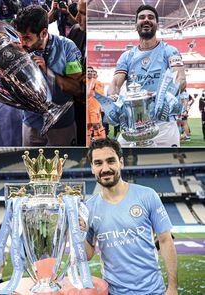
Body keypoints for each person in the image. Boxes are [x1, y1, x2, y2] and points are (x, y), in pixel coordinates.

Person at [81, 138, 177, 295]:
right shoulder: (88, 208)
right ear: (92, 168)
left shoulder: (147, 195)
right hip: (113, 292)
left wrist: (172, 288)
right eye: (98, 163)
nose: (105, 168)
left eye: (110, 161)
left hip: (153, 291)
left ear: (121, 162)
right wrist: (76, 233)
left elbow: (166, 241)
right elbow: (88, 254)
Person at [107, 4, 186, 147]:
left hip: (163, 124)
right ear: (136, 24)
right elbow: (115, 84)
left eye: (151, 17)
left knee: (168, 164)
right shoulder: (127, 56)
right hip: (134, 125)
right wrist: (112, 97)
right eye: (142, 17)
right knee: (120, 160)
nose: (146, 20)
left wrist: (162, 100)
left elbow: (180, 79)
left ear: (157, 24)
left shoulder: (170, 51)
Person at [14, 5, 83, 146]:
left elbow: (77, 88)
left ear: (44, 33)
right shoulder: (17, 50)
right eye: (19, 37)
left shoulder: (68, 47)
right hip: (30, 123)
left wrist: (48, 72)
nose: (22, 43)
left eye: (27, 38)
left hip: (61, 125)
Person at [67, 0, 86, 145]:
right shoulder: (75, 31)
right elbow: (66, 64)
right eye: (78, 11)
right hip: (74, 105)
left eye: (83, 13)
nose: (77, 17)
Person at [87, 66, 105, 145]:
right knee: (87, 126)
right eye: (88, 71)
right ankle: (87, 143)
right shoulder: (84, 81)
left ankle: (101, 141)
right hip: (87, 107)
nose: (90, 72)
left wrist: (94, 90)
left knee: (96, 125)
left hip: (94, 106)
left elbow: (100, 94)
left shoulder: (97, 83)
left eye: (91, 71)